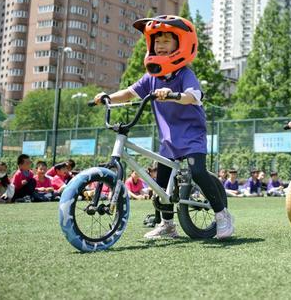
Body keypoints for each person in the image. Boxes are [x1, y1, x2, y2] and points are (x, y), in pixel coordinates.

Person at [93, 15, 233, 240]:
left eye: (167, 40)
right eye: (157, 41)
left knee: (197, 172)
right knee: (160, 185)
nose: (161, 45)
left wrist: (173, 95)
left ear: (181, 45)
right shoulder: (152, 76)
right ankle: (167, 225)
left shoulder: (185, 73)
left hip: (192, 135)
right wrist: (108, 97)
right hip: (168, 139)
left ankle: (222, 214)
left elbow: (192, 96)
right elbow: (129, 93)